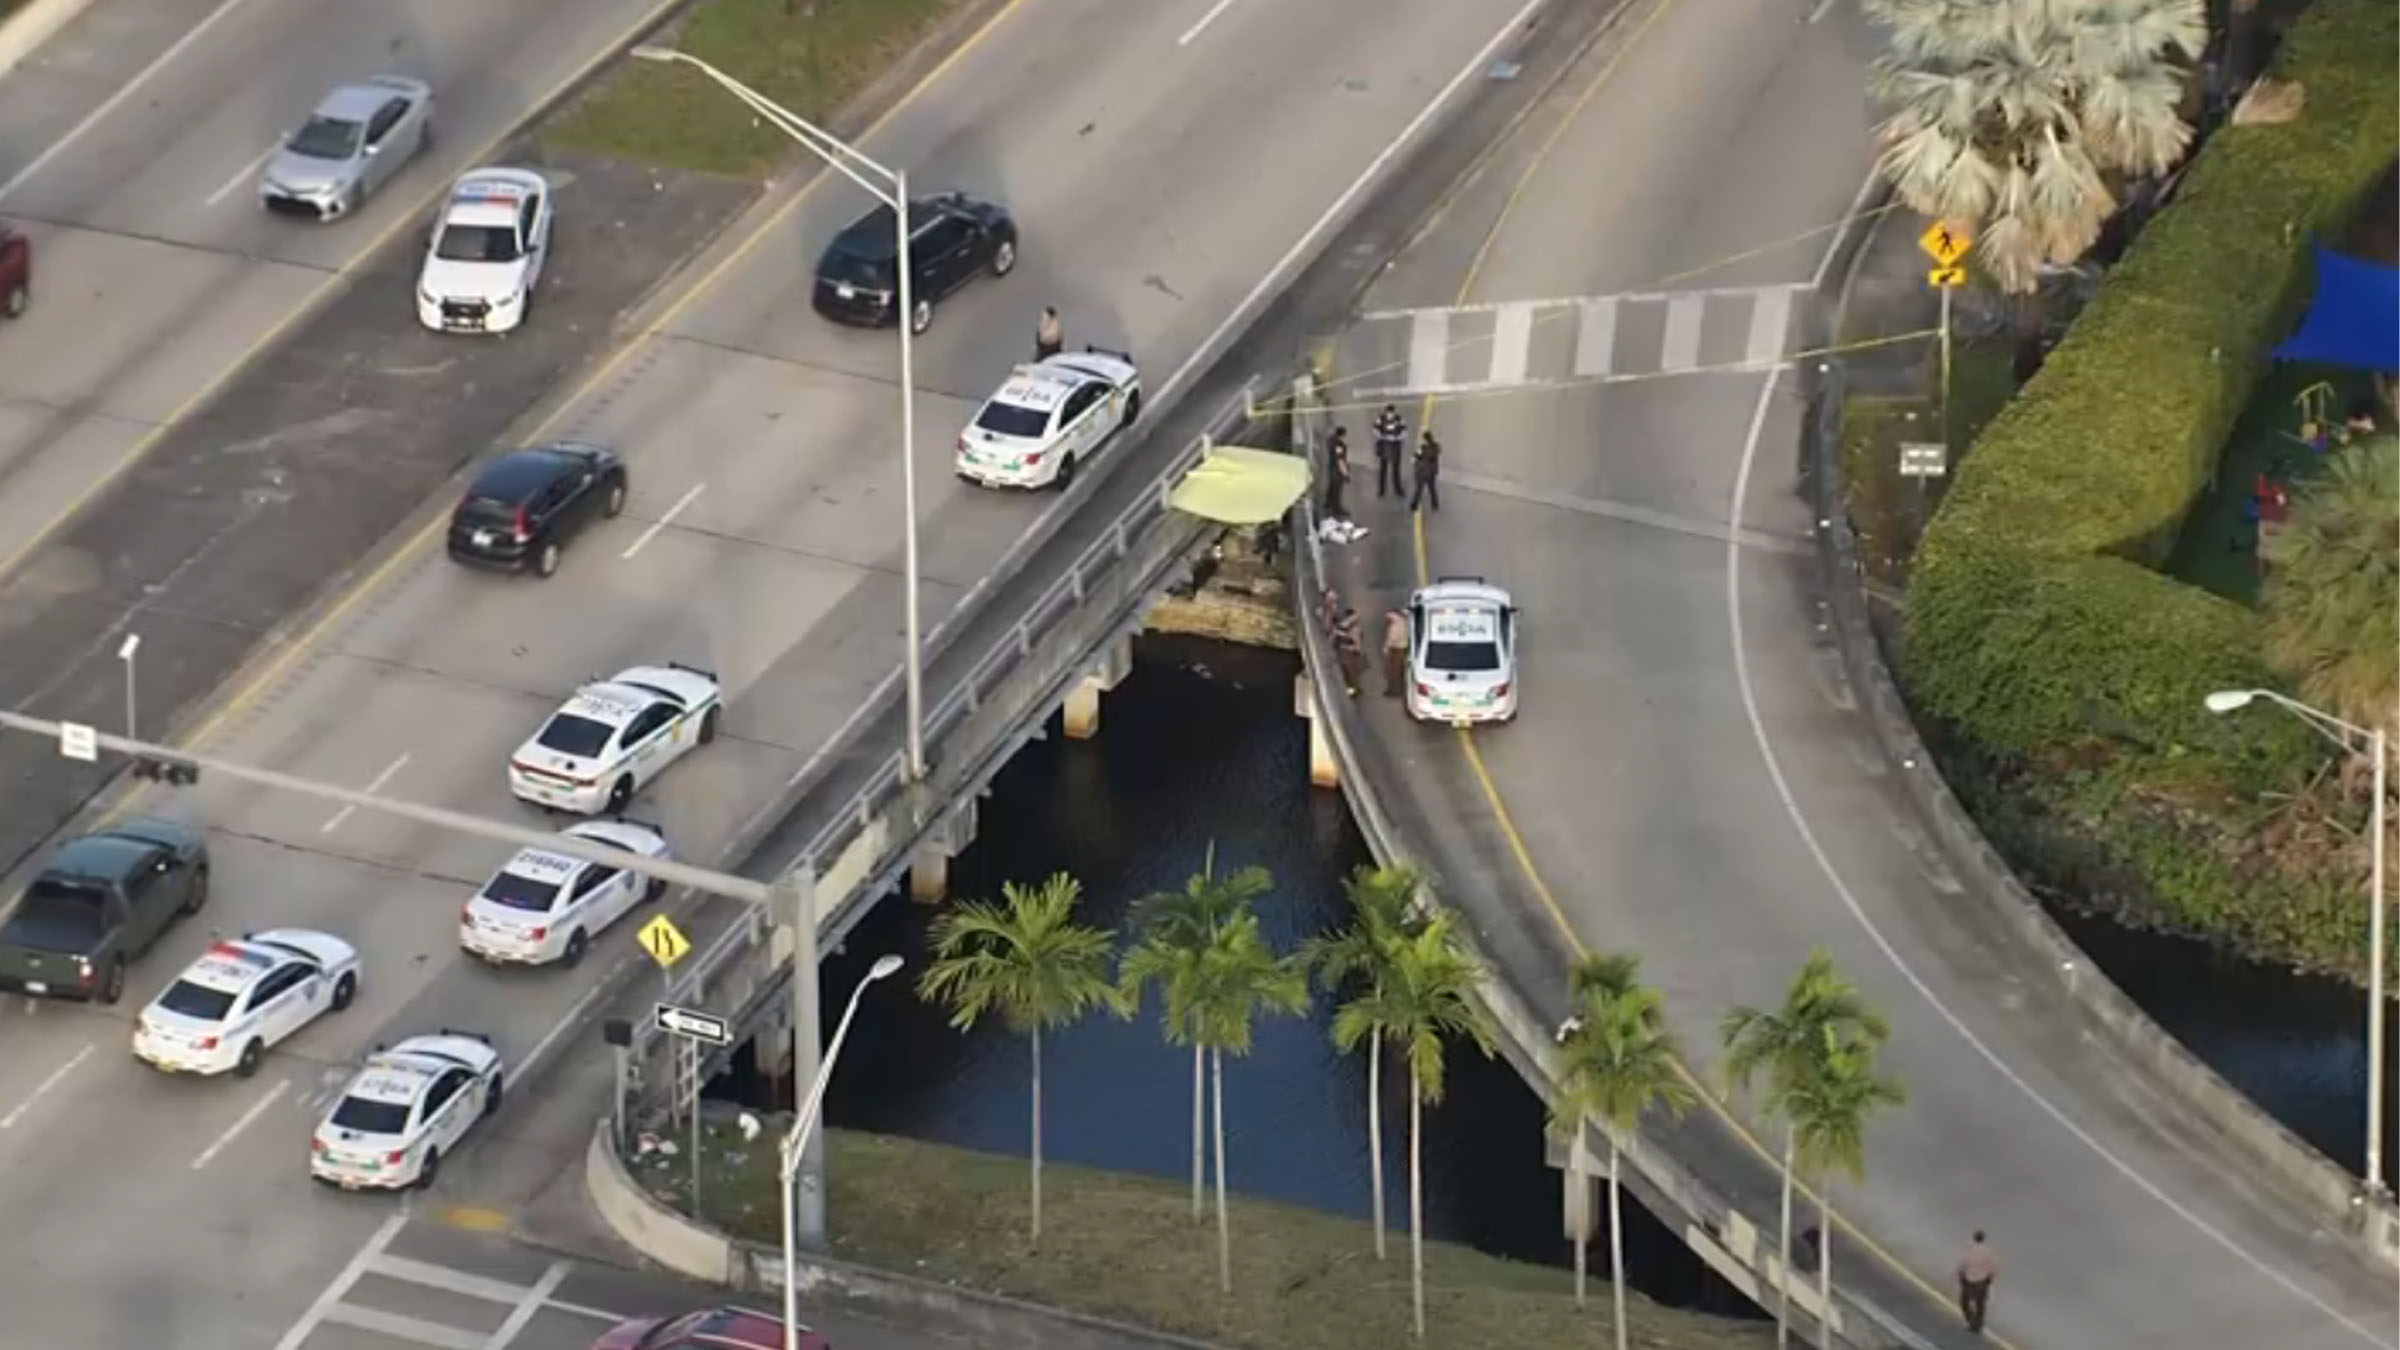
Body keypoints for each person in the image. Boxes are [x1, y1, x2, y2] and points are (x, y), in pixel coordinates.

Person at [1956, 1230, 1997, 1335]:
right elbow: (1992, 1268)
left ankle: (1971, 1320)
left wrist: (1961, 1277)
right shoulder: (1988, 1252)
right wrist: (1989, 1279)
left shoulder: (1969, 1251)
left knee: (1964, 1302)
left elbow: (1962, 1265)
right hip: (1982, 1281)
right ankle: (1978, 1324)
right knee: (1980, 1304)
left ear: (1974, 1238)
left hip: (1969, 1280)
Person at [1373, 404, 1407, 497]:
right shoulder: (1381, 418)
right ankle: (1381, 490)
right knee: (1383, 469)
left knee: (1396, 469)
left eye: (1391, 413)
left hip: (1395, 446)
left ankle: (1398, 489)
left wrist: (1397, 438)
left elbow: (1404, 431)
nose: (1390, 415)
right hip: (1384, 446)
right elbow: (1375, 429)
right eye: (1389, 413)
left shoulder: (1399, 419)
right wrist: (1383, 437)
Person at [1334, 607, 1366, 697]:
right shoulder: (1352, 627)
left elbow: (1356, 641)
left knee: (1350, 673)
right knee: (1351, 672)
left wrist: (1356, 649)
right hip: (1349, 651)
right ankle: (1354, 689)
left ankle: (1353, 690)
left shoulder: (1353, 628)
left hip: (1348, 652)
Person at [1322, 426, 1352, 521]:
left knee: (1332, 486)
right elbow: (1340, 460)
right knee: (1337, 489)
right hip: (1337, 470)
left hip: (1331, 467)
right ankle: (1337, 508)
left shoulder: (1331, 440)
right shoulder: (1339, 445)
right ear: (1342, 435)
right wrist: (1345, 474)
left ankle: (1328, 503)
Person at [1410, 430, 1442, 513]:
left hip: (1422, 472)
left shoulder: (1422, 448)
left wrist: (1416, 462)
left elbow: (1414, 459)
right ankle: (1435, 504)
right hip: (1431, 472)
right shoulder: (1435, 447)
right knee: (1432, 489)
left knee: (1419, 489)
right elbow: (1437, 453)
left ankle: (1414, 505)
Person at [1382, 608, 1409, 698]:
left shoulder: (1395, 625)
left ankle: (1394, 691)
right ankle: (1402, 689)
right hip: (1404, 648)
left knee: (1393, 672)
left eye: (1388, 616)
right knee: (1401, 671)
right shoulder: (1404, 621)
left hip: (1396, 649)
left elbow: (1392, 639)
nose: (1387, 619)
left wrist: (1386, 648)